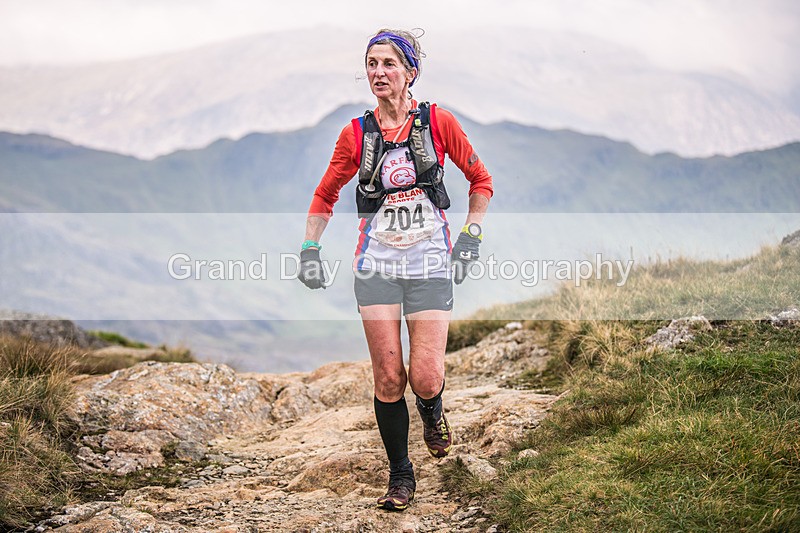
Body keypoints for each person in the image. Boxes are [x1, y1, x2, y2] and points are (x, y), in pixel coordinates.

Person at [298, 28, 493, 512]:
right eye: (371, 64)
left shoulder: (438, 122)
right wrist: (309, 247)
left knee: (425, 377)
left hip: (429, 261)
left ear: (410, 72)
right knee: (388, 376)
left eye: (388, 64)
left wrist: (471, 234)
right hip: (376, 263)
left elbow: (480, 179)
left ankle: (433, 409)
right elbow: (325, 195)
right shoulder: (356, 134)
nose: (378, 73)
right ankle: (400, 475)